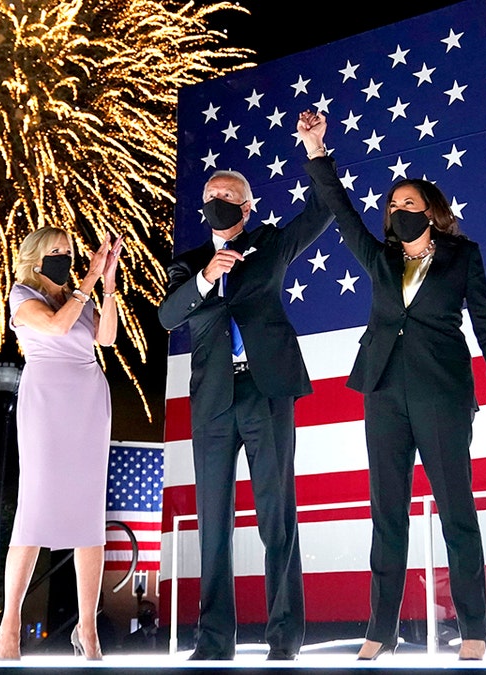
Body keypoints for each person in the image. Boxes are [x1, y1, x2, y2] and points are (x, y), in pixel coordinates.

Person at [303, 111, 486, 661]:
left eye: (408, 205)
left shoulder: (461, 257)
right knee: (386, 513)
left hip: (442, 391)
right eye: (392, 205)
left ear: (432, 214)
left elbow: (485, 317)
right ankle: (381, 630)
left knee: (456, 509)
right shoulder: (378, 258)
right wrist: (316, 150)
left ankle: (474, 630)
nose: (397, 211)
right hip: (382, 392)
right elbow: (341, 209)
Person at [156, 110, 335, 661]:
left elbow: (325, 210)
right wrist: (209, 275)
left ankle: (284, 638)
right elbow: (168, 318)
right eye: (211, 194)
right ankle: (214, 640)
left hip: (266, 390)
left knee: (276, 516)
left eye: (229, 195)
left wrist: (314, 149)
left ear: (247, 206)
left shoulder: (271, 244)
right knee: (213, 521)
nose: (219, 201)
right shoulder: (188, 263)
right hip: (212, 404)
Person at [0, 227, 123, 660]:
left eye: (68, 252)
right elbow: (55, 325)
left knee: (89, 513)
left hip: (88, 399)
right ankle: (9, 625)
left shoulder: (79, 295)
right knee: (35, 509)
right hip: (46, 402)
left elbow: (105, 338)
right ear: (34, 256)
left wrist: (107, 285)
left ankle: (87, 629)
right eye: (56, 252)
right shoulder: (21, 296)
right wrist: (87, 280)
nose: (64, 258)